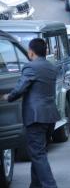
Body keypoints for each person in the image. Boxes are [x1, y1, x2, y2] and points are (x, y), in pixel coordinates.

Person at [2, 38, 59, 188]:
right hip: (50, 116)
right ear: (45, 51)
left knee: (38, 154)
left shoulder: (31, 67)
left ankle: (50, 185)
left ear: (30, 52)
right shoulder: (51, 67)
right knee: (39, 151)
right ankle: (35, 185)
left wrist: (9, 96)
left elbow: (21, 88)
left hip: (35, 117)